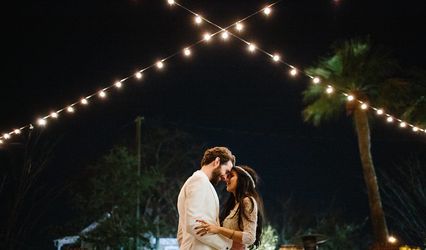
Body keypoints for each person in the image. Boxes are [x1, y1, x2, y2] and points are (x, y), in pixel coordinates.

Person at [177, 146, 236, 250]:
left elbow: (181, 232)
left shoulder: (198, 182)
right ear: (217, 161)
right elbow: (193, 225)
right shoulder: (199, 181)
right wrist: (227, 246)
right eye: (227, 171)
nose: (225, 178)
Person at [195, 165, 264, 250]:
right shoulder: (234, 204)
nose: (226, 179)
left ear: (243, 180)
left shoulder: (247, 201)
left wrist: (219, 229)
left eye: (231, 176)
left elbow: (250, 237)